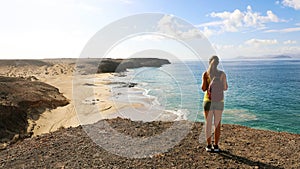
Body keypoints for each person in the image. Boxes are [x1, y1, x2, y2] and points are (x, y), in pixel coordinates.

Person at [201, 55, 228, 152]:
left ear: (209, 63)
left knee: (208, 124)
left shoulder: (206, 74)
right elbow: (225, 88)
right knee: (217, 124)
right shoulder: (222, 74)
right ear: (218, 63)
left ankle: (208, 146)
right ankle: (216, 146)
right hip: (219, 102)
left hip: (208, 101)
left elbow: (203, 88)